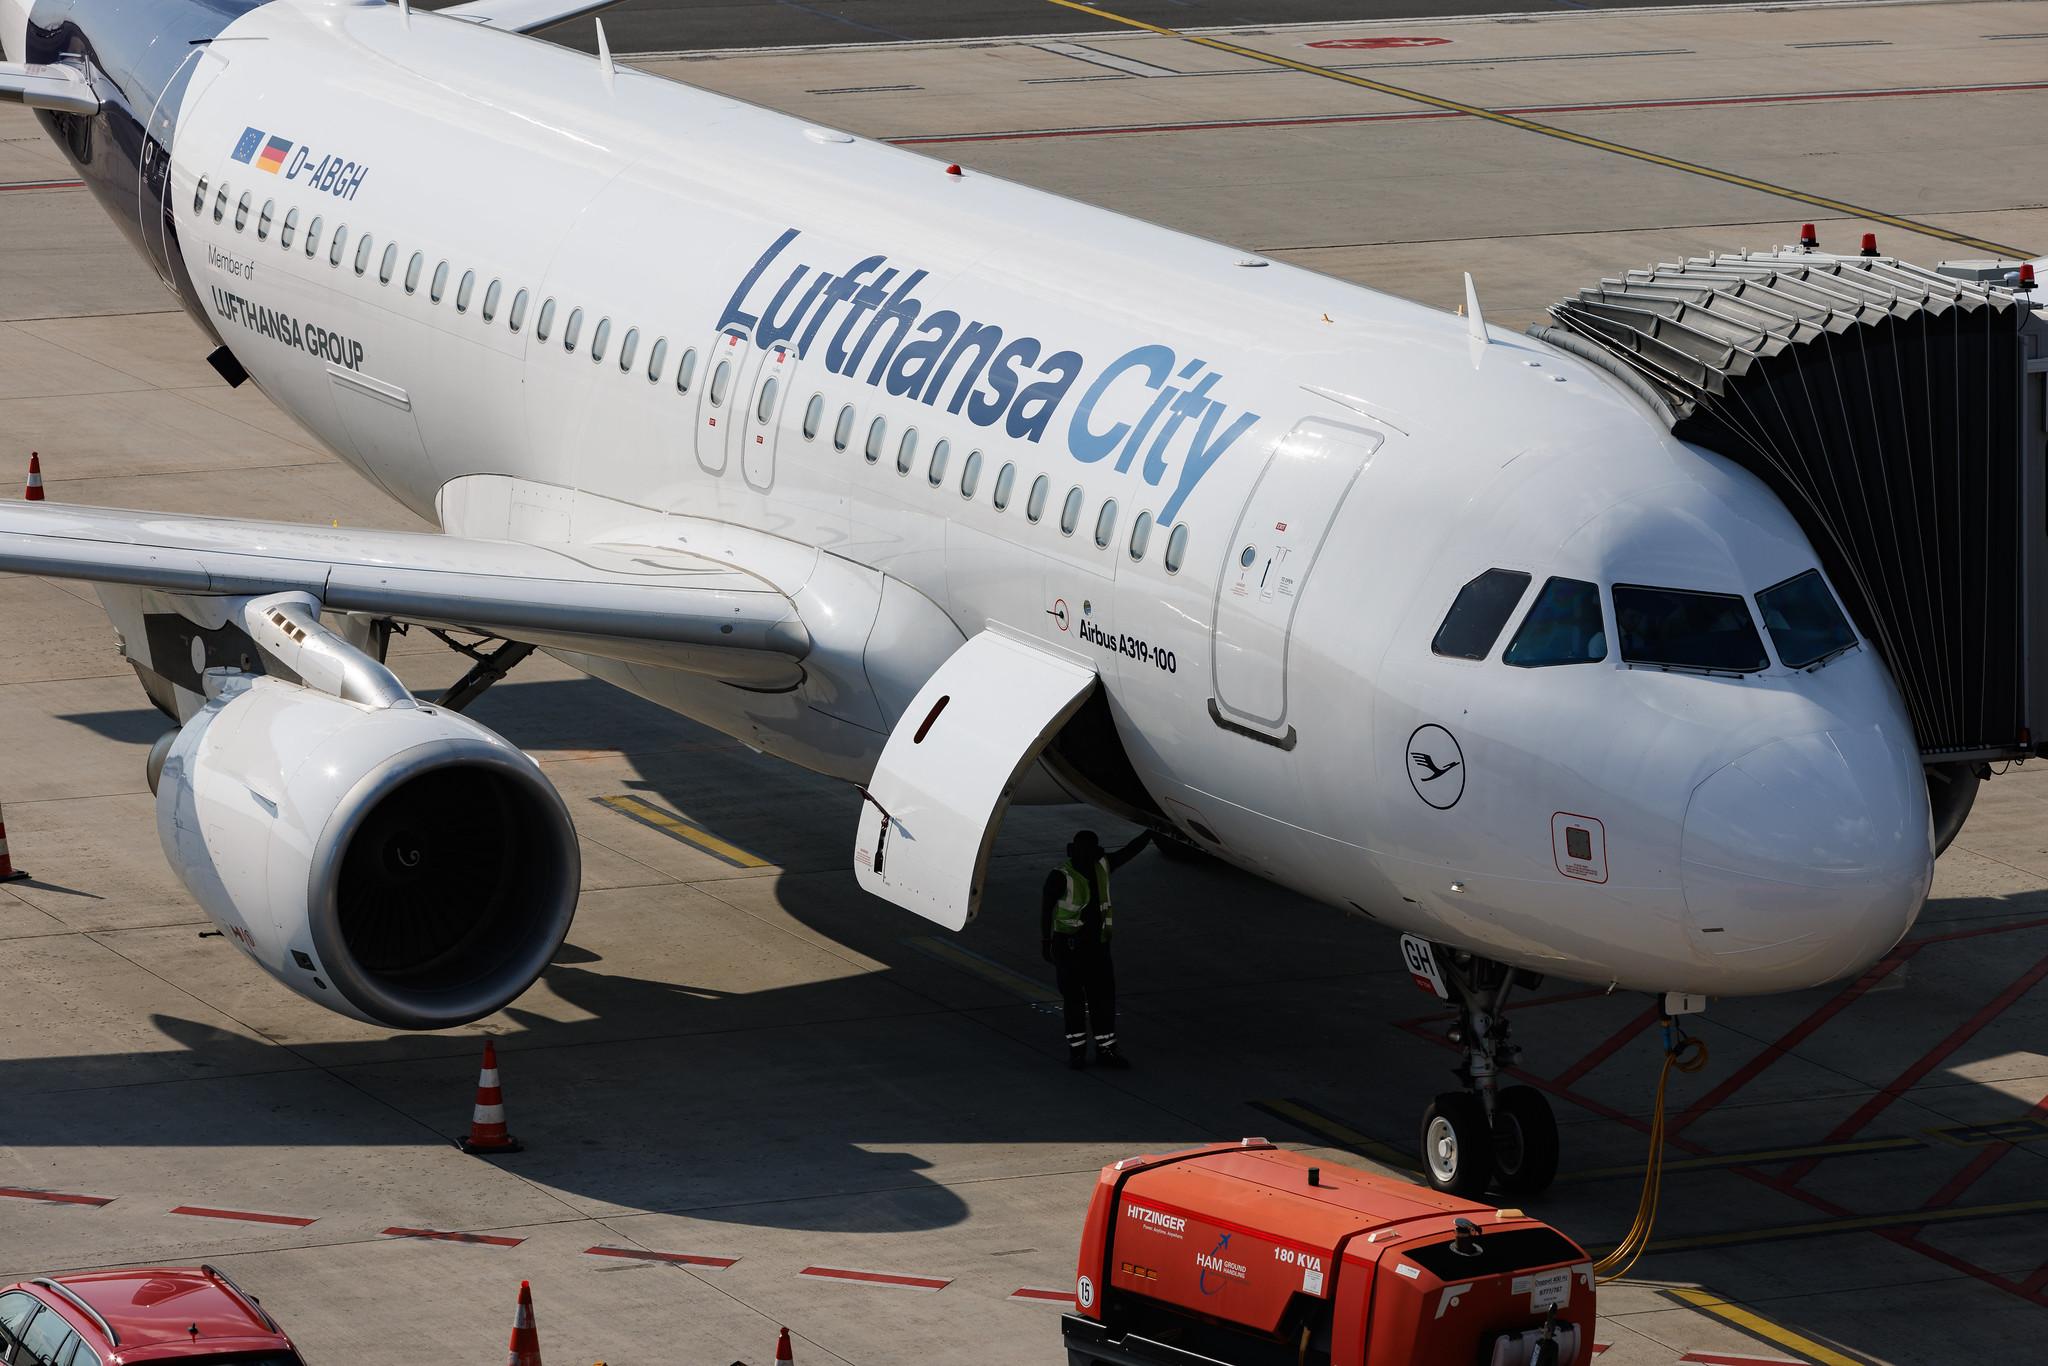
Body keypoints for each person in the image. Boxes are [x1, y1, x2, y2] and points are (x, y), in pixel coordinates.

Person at [1041, 828, 1152, 1069]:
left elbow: (1128, 852)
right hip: (1069, 948)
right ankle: (1077, 1053)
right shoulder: (1061, 876)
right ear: (1075, 851)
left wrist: (1150, 833)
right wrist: (1046, 942)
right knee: (1074, 1002)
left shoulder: (1102, 866)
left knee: (1102, 1000)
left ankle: (1105, 1050)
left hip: (1097, 949)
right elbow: (1045, 908)